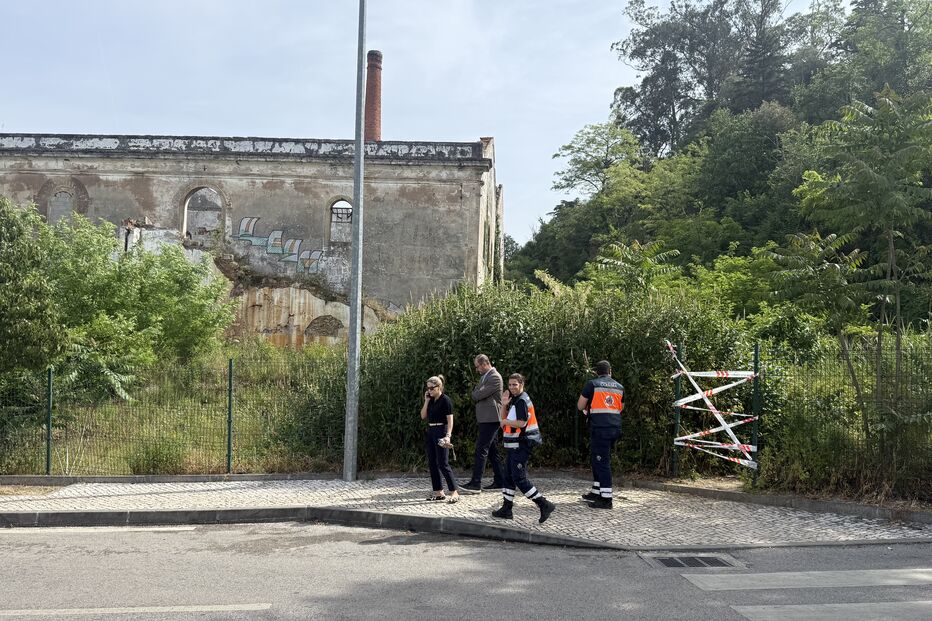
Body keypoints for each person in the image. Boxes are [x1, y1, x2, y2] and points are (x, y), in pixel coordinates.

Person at [491, 373, 556, 523]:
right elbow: (503, 422)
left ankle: (544, 504)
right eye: (510, 384)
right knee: (508, 476)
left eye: (515, 384)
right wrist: (504, 405)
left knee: (519, 478)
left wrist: (505, 420)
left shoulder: (521, 401)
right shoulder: (514, 399)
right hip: (514, 445)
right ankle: (507, 509)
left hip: (521, 445)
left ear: (522, 384)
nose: (512, 387)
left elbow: (521, 423)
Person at [577, 360, 624, 509]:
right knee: (597, 459)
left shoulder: (593, 384)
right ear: (610, 371)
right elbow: (621, 407)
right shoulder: (619, 387)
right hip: (614, 428)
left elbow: (580, 405)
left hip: (600, 428)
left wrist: (591, 408)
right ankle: (597, 491)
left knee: (602, 462)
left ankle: (606, 499)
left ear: (596, 372)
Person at [458, 354, 505, 493]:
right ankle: (500, 480)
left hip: (491, 418)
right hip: (486, 418)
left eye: (478, 366)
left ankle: (476, 483)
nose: (477, 369)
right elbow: (476, 393)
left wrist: (478, 392)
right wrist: (478, 392)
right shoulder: (485, 377)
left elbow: (476, 395)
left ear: (485, 363)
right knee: (492, 451)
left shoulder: (494, 377)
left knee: (481, 449)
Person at [420, 375, 459, 503]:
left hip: (441, 430)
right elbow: (423, 416)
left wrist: (448, 436)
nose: (429, 390)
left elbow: (450, 420)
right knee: (432, 463)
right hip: (431, 431)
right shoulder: (430, 400)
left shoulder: (445, 400)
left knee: (443, 463)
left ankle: (454, 492)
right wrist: (426, 400)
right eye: (428, 388)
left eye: (432, 388)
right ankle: (438, 492)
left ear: (439, 387)